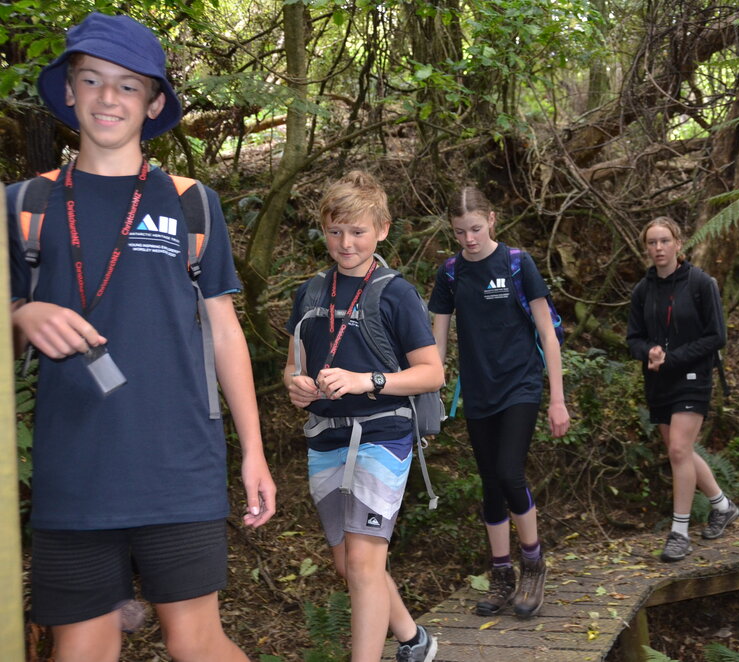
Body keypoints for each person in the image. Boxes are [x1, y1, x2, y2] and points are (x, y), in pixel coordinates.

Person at [6, 12, 276, 661]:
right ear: (67, 91)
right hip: (73, 472)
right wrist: (19, 314)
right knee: (82, 651)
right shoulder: (23, 207)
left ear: (153, 102)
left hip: (177, 467)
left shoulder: (190, 203)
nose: (107, 97)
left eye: (128, 85)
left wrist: (253, 452)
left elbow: (223, 330)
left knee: (196, 643)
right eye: (92, 79)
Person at [283, 171, 443, 662]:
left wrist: (364, 380)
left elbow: (432, 372)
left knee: (363, 561)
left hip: (383, 433)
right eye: (336, 231)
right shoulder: (310, 292)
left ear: (382, 230)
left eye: (357, 231)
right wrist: (296, 385)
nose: (346, 243)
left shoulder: (395, 293)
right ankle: (413, 639)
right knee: (347, 564)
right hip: (327, 436)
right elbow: (293, 364)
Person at [428, 186, 570, 619]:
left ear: (491, 219)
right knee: (490, 484)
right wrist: (430, 393)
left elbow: (547, 333)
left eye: (474, 228)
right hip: (478, 390)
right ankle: (501, 573)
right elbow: (437, 340)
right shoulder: (450, 273)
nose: (468, 239)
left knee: (510, 472)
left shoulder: (516, 263)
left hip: (521, 385)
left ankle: (533, 563)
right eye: (459, 231)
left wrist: (557, 400)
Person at [626, 217, 739, 562]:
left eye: (664, 241)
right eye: (652, 243)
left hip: (693, 377)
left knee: (678, 448)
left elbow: (716, 336)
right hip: (658, 380)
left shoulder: (701, 283)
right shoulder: (642, 291)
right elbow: (633, 338)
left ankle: (679, 532)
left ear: (678, 243)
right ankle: (722, 506)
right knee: (681, 452)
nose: (658, 248)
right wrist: (649, 352)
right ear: (646, 248)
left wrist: (674, 358)